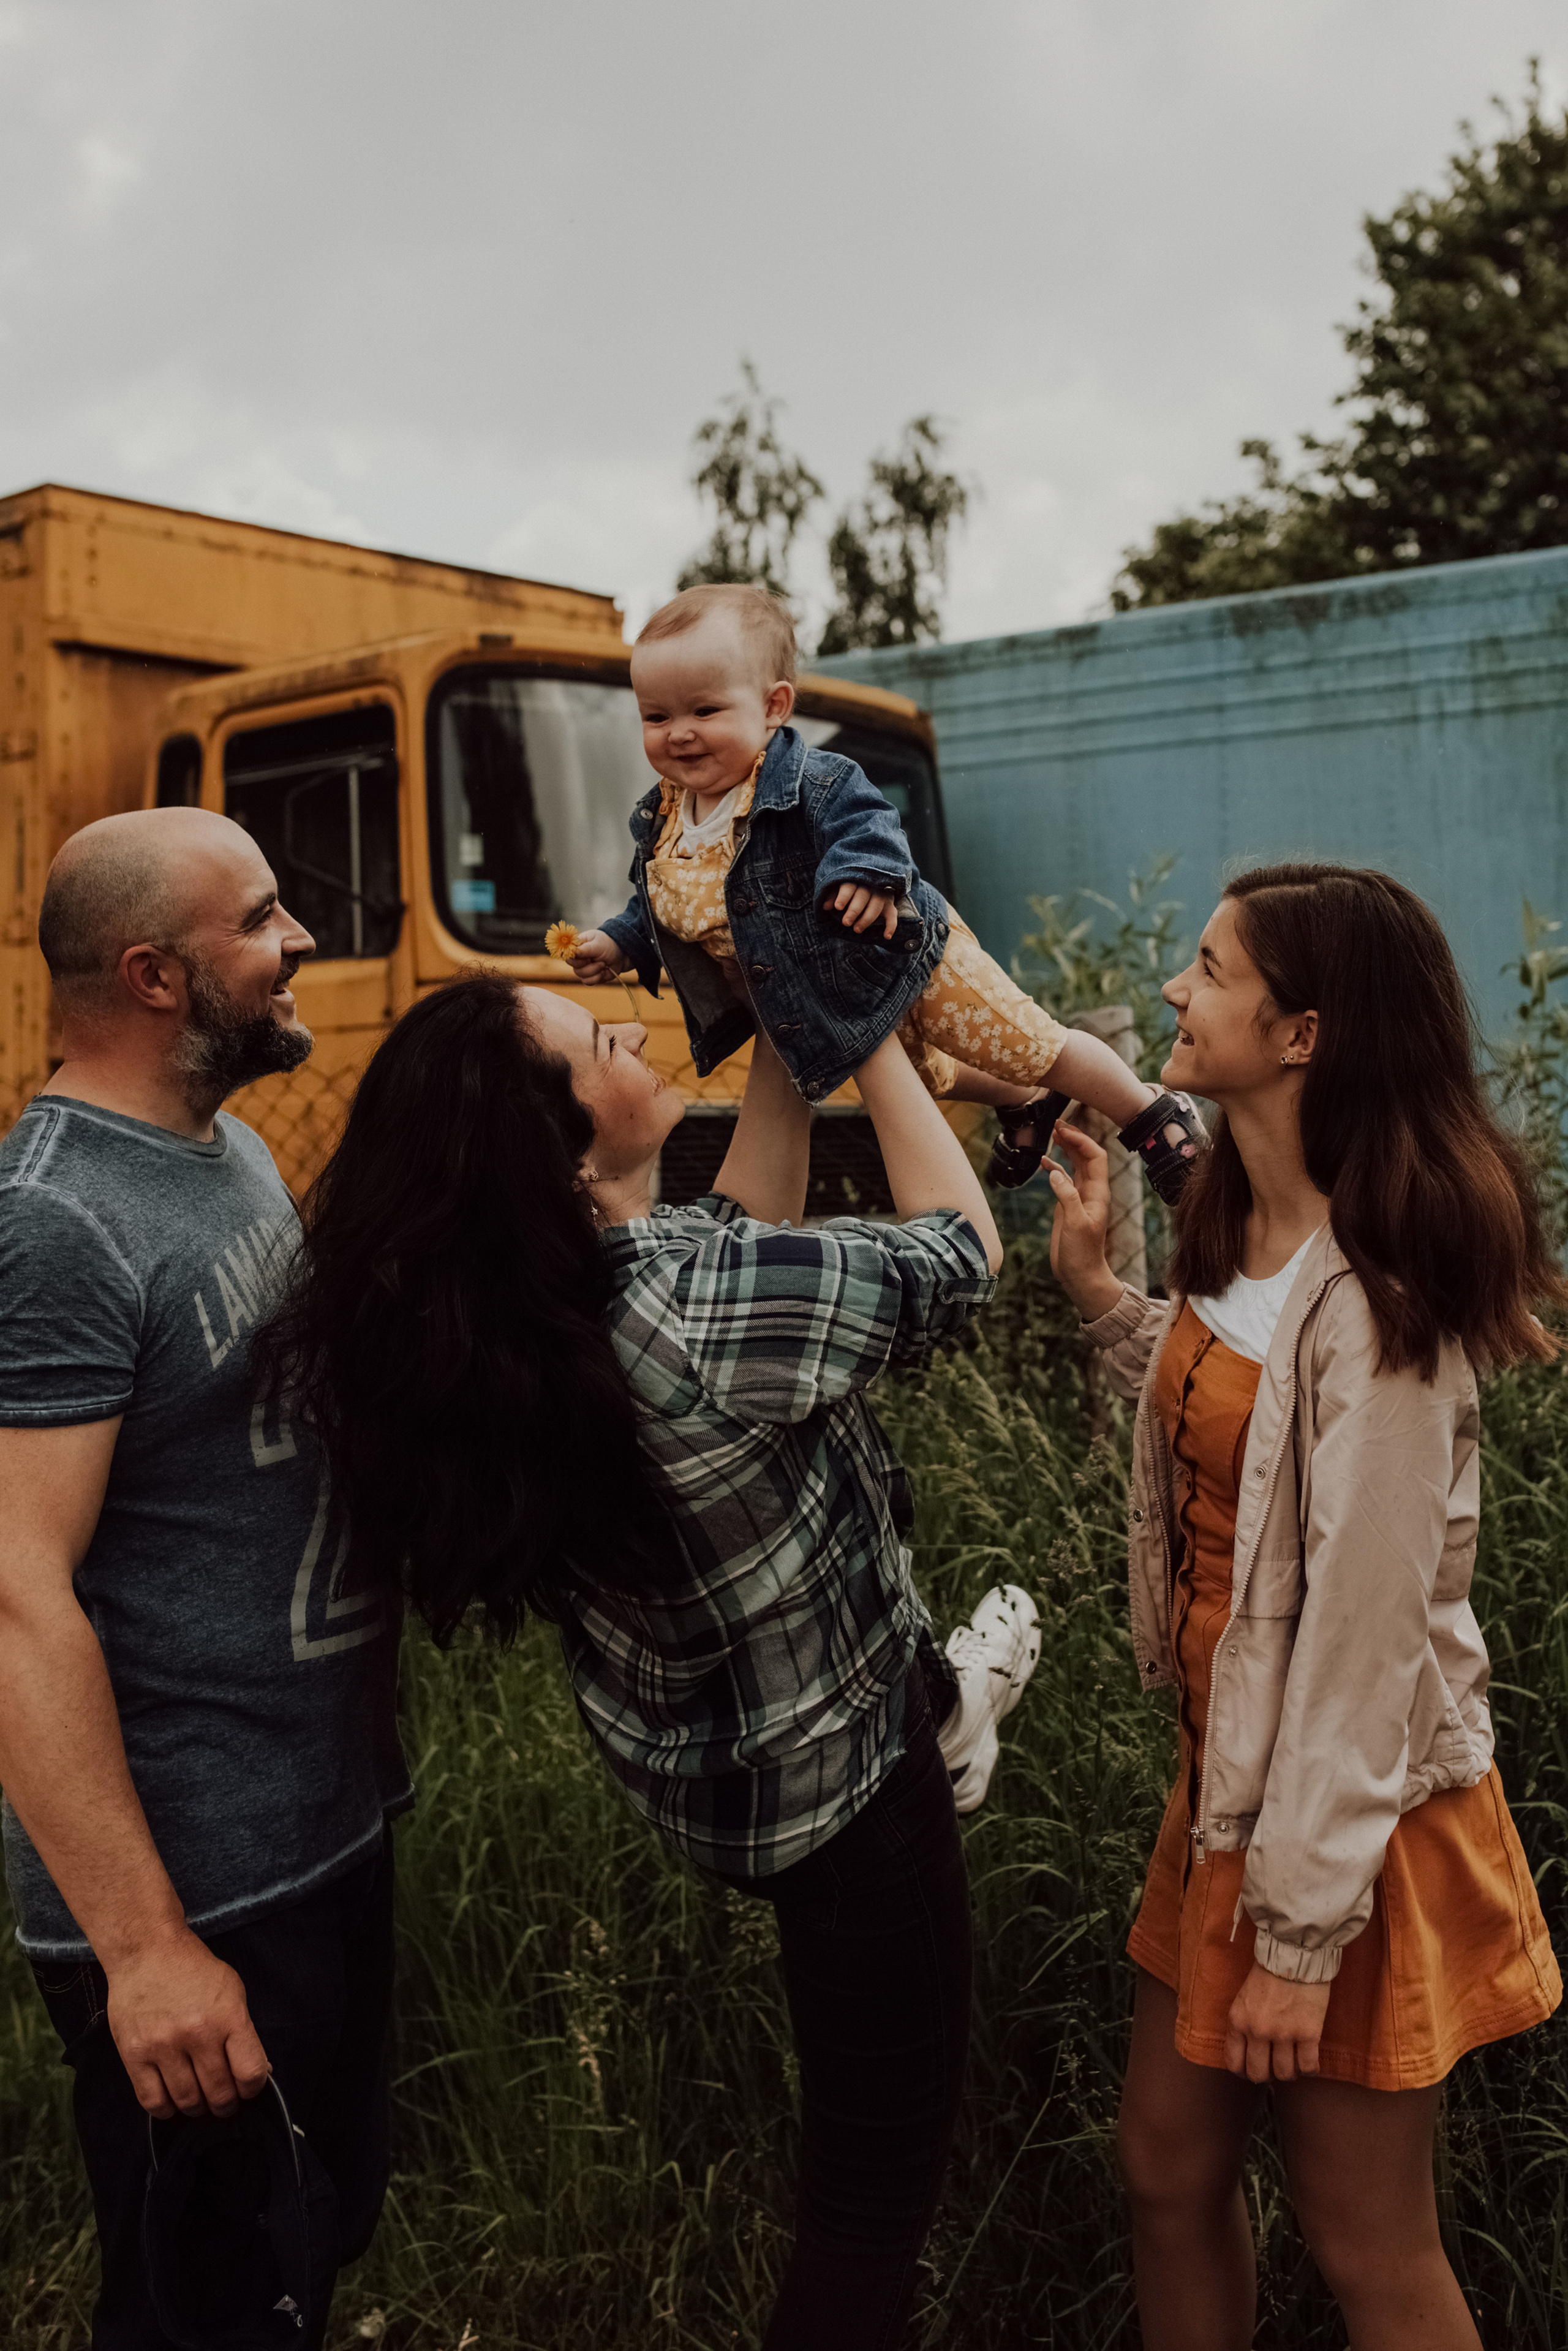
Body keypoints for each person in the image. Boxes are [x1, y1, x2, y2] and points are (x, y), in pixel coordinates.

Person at [260, 972, 1041, 2350]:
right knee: (868, 2208)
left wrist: (785, 1034)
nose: (630, 1031)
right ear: (561, 1151)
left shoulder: (525, 1314)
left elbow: (739, 1226)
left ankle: (938, 1702)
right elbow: (963, 1253)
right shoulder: (698, 1311)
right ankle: (933, 1713)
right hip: (851, 1799)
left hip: (716, 1774)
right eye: (599, 1043)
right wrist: (863, 1030)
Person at [1046, 861, 1564, 2351]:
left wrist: (1294, 1936)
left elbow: (1360, 1641)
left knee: (1363, 2239)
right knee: (1164, 2169)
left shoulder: (1381, 1309)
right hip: (1225, 1787)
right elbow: (1239, 1431)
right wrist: (1102, 1301)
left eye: (1209, 968)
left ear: (1301, 1034)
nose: (1172, 986)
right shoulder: (1239, 1219)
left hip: (1350, 1827)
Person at [0, 807, 411, 2351]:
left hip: (320, 1831)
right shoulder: (54, 1221)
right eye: (260, 916)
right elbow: (13, 1595)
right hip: (198, 1889)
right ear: (155, 976)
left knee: (308, 2247)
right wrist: (145, 1949)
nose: (298, 937)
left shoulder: (223, 1146)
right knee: (210, 2313)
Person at [561, 581, 1201, 1202]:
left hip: (908, 956)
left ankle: (1150, 1112)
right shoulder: (664, 818)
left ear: (774, 707)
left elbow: (872, 824)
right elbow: (665, 902)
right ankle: (1022, 1098)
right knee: (926, 1077)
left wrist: (867, 875)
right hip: (829, 991)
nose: (679, 732)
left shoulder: (811, 782)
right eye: (657, 716)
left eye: (705, 711)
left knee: (1028, 1043)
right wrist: (620, 942)